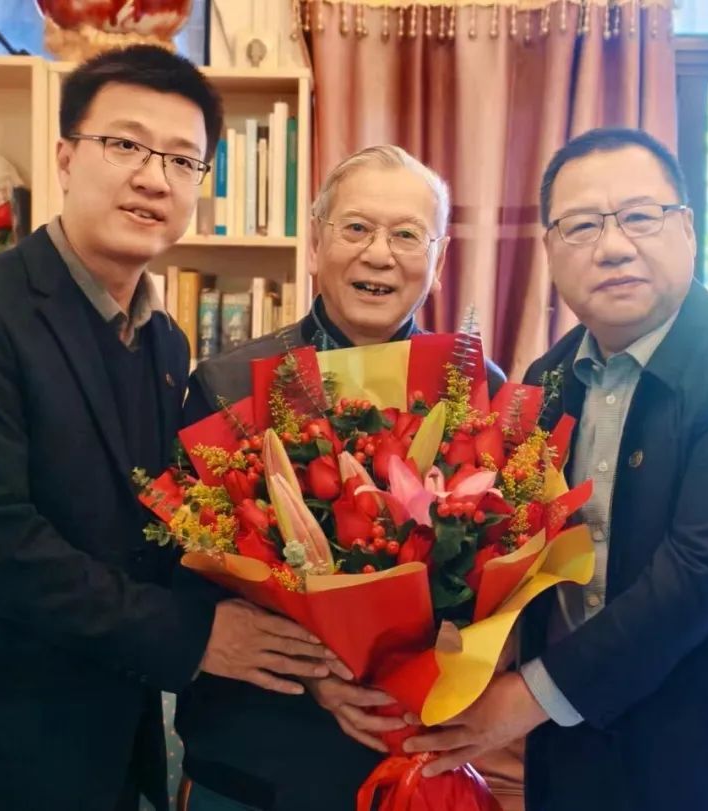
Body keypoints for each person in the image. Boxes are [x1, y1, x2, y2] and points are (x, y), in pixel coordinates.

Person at [0, 45, 336, 811]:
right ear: (66, 157)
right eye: (125, 144)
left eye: (182, 160)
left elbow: (156, 527)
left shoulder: (165, 342)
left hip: (103, 748)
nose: (153, 177)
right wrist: (196, 635)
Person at [406, 127, 708, 811]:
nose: (614, 246)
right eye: (582, 225)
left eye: (640, 216)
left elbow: (697, 581)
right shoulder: (547, 380)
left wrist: (521, 699)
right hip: (584, 762)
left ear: (688, 230)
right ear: (550, 250)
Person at [176, 145, 507, 811]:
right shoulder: (228, 387)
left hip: (412, 761)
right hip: (259, 760)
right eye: (356, 228)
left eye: (407, 234)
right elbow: (186, 579)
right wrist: (316, 670)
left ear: (439, 260)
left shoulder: (478, 391)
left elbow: (500, 575)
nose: (379, 254)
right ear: (315, 244)